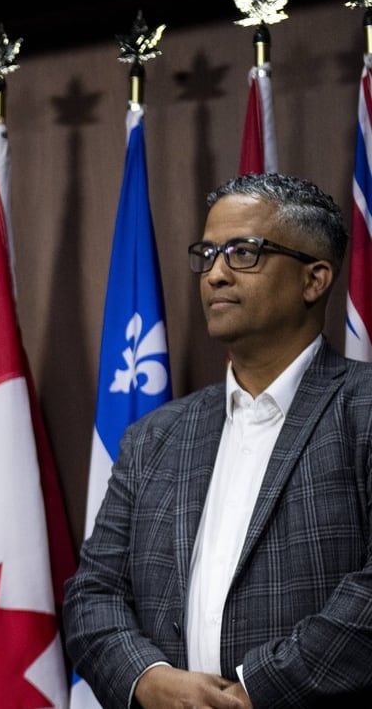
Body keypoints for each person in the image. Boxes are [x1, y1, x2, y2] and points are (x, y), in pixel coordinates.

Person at [63, 172, 372, 709]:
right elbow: (93, 595)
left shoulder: (362, 407)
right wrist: (148, 679)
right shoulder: (154, 437)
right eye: (207, 255)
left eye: (244, 253)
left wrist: (256, 689)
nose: (216, 274)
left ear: (315, 279)